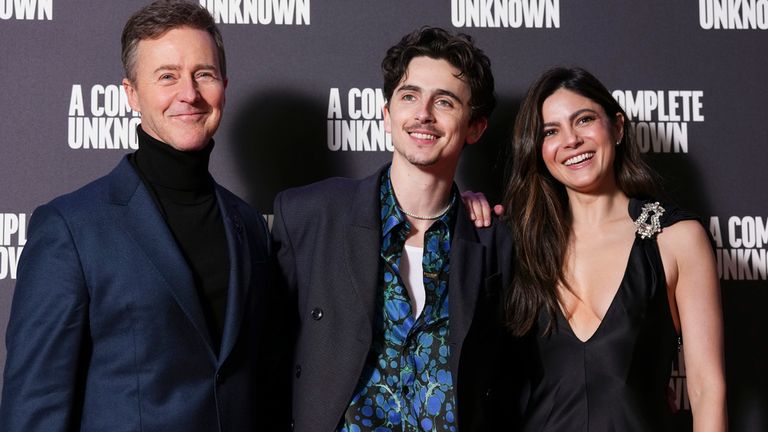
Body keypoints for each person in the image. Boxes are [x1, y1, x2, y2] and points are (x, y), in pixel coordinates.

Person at [0, 1, 280, 431]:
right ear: (131, 94)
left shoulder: (248, 224)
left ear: (224, 85)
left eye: (203, 74)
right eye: (167, 76)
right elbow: (34, 410)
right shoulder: (71, 228)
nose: (189, 93)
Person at [272, 27, 525, 431]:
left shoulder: (495, 240)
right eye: (409, 96)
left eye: (444, 101)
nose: (423, 113)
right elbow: (268, 361)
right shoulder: (310, 216)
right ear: (388, 114)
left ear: (475, 127)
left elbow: (515, 379)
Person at [470, 66, 727, 431]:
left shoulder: (676, 237)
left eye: (584, 120)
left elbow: (706, 389)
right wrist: (463, 207)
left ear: (618, 127)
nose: (571, 140)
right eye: (551, 131)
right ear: (539, 150)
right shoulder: (515, 243)